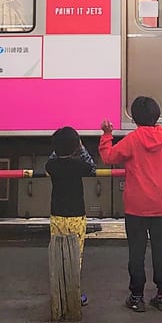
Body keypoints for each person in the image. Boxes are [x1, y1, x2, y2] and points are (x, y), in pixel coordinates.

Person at [99, 95, 162, 313]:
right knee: (161, 251)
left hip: (136, 207)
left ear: (135, 118)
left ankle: (137, 297)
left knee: (136, 252)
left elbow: (108, 157)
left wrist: (107, 135)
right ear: (156, 115)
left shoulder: (133, 139)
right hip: (160, 205)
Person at [45, 126, 96, 306]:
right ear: (76, 147)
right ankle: (74, 293)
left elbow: (51, 159)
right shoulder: (79, 165)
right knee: (76, 255)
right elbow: (91, 165)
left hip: (57, 215)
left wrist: (59, 148)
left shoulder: (51, 166)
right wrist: (81, 148)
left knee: (58, 252)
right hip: (76, 216)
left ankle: (58, 292)